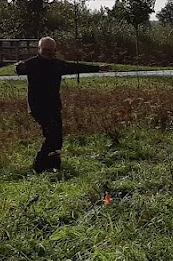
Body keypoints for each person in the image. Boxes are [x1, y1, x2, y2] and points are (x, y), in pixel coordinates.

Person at [15, 37, 109, 172]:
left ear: (55, 50)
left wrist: (98, 68)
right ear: (39, 49)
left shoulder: (58, 64)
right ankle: (39, 166)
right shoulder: (32, 64)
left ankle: (54, 165)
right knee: (51, 135)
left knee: (57, 138)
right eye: (44, 49)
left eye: (50, 50)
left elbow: (76, 67)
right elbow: (20, 70)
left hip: (53, 106)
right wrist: (18, 68)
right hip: (38, 107)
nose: (47, 52)